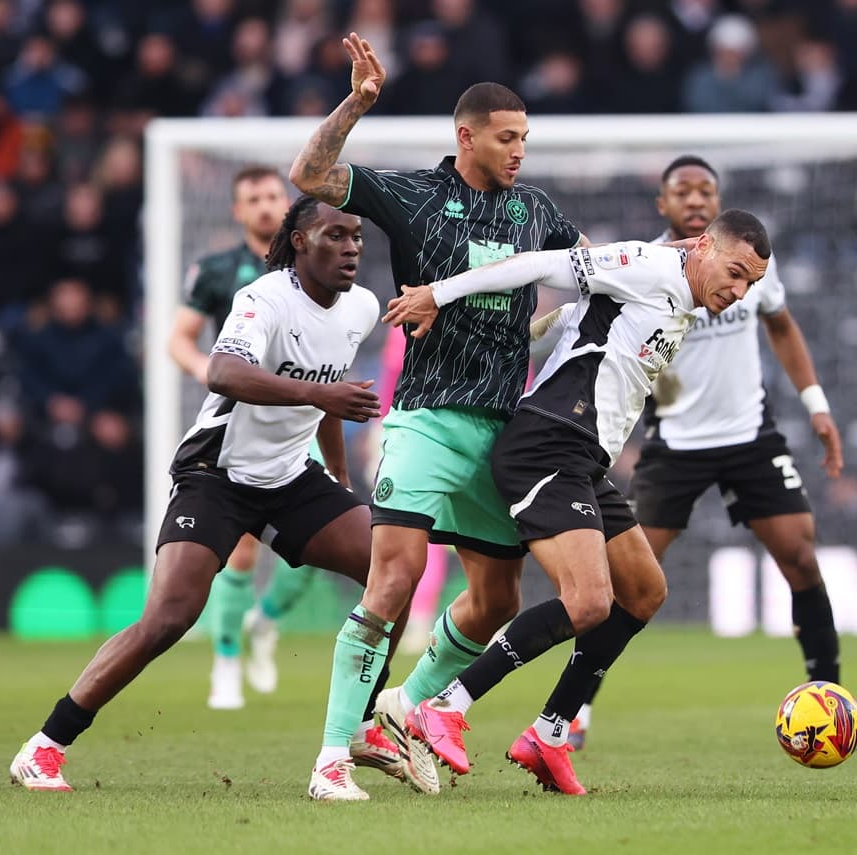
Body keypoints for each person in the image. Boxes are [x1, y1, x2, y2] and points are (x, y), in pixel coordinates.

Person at [11, 197, 409, 794]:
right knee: (168, 618)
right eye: (336, 235)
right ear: (300, 242)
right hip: (215, 473)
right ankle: (45, 746)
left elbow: (327, 389)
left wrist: (340, 482)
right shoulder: (263, 299)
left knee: (393, 576)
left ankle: (357, 721)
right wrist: (321, 400)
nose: (352, 247)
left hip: (290, 476)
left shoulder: (361, 307)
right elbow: (223, 373)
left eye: (357, 236)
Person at [382, 209, 772, 795]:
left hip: (584, 459)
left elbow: (580, 319)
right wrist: (439, 294)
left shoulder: (684, 302)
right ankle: (443, 706)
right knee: (588, 602)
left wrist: (535, 333)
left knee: (645, 591)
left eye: (751, 285)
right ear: (703, 246)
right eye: (736, 272)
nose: (739, 291)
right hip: (547, 445)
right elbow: (541, 266)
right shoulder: (649, 264)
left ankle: (550, 732)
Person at [289, 33, 584, 800]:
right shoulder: (416, 195)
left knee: (497, 600)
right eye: (507, 137)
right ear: (468, 135)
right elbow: (310, 174)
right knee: (395, 579)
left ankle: (407, 705)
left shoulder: (536, 209)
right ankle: (329, 757)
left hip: (502, 432)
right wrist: (356, 103)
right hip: (425, 418)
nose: (520, 150)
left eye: (526, 137)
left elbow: (594, 274)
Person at [568, 156, 857, 752]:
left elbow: (783, 326)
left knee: (800, 555)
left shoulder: (751, 263)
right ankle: (573, 713)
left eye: (706, 189)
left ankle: (837, 706)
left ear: (718, 202)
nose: (695, 198)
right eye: (681, 191)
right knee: (629, 584)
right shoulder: (647, 267)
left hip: (751, 438)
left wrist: (817, 404)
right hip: (676, 446)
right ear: (663, 205)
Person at [167, 165, 319, 710]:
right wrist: (209, 372)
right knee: (244, 550)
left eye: (273, 195)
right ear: (237, 211)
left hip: (304, 419)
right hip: (243, 421)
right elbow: (180, 338)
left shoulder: (314, 264)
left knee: (316, 548)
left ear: (289, 204)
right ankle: (226, 660)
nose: (264, 205)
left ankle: (267, 621)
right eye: (252, 198)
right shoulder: (216, 270)